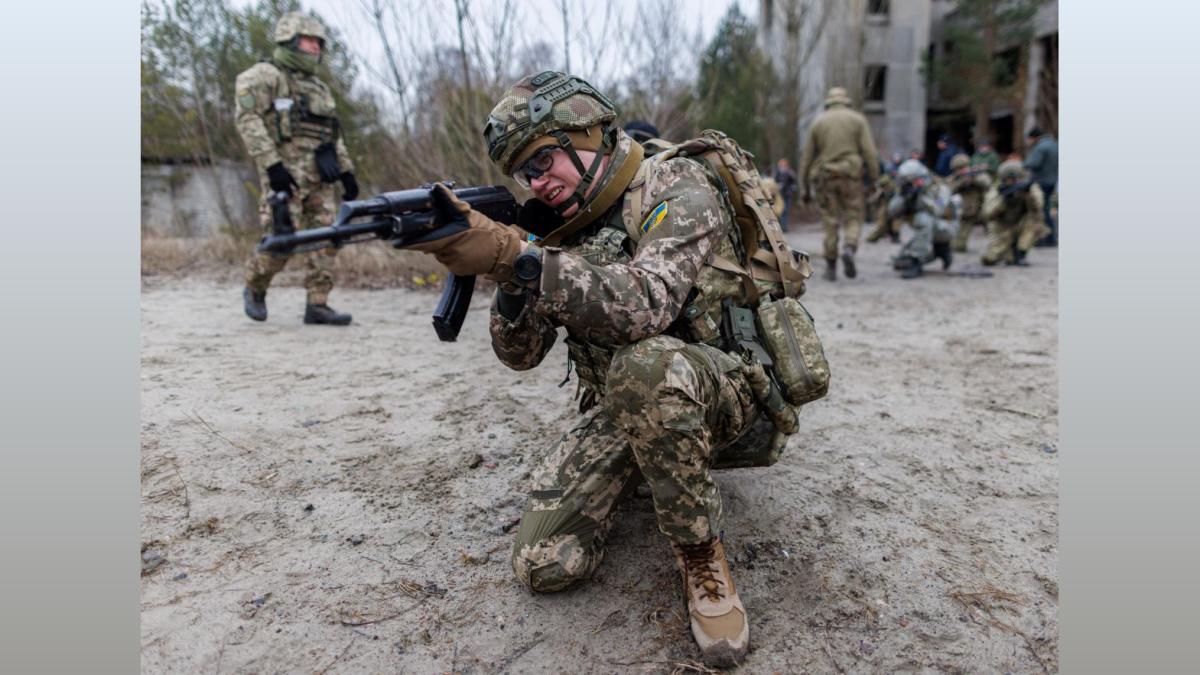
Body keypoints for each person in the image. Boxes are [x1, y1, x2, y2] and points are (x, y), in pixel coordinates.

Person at [407, 71, 813, 667]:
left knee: (645, 364)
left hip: (727, 395)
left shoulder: (676, 183)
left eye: (544, 160)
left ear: (591, 133)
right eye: (525, 173)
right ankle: (658, 462)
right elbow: (519, 355)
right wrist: (511, 275)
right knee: (545, 564)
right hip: (631, 407)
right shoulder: (558, 225)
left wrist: (519, 259)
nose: (537, 182)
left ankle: (701, 552)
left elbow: (647, 304)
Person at [235, 12, 359, 325]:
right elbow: (247, 121)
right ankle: (255, 285)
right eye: (309, 40)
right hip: (284, 176)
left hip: (319, 177)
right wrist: (273, 165)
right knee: (282, 239)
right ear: (289, 40)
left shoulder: (319, 88)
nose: (316, 47)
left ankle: (317, 304)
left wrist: (346, 171)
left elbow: (333, 134)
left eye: (319, 42)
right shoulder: (263, 76)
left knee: (329, 237)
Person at [800, 86, 880, 281]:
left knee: (830, 220)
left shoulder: (818, 123)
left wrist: (804, 188)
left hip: (826, 178)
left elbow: (807, 158)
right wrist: (874, 180)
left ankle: (830, 266)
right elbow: (870, 153)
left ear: (829, 102)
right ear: (846, 101)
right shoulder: (858, 120)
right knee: (854, 216)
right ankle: (849, 247)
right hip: (851, 177)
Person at [888, 159, 959, 278]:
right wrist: (904, 197)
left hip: (947, 227)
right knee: (900, 262)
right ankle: (940, 251)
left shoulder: (940, 188)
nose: (911, 184)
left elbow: (938, 209)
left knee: (923, 218)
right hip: (927, 229)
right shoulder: (907, 189)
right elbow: (892, 211)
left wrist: (921, 197)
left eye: (913, 181)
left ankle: (917, 261)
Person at [980, 160, 1049, 266]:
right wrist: (1004, 201)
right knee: (990, 259)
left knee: (1036, 219)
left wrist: (1028, 196)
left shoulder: (1028, 187)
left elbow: (1038, 207)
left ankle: (1021, 252)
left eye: (1015, 179)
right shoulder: (996, 190)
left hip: (1020, 224)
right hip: (1001, 227)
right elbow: (988, 214)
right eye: (1009, 179)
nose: (1013, 182)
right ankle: (1009, 251)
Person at [948, 154, 992, 252]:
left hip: (982, 209)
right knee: (958, 246)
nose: (959, 171)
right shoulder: (956, 178)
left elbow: (987, 184)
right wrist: (962, 182)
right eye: (957, 169)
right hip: (966, 210)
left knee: (993, 231)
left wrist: (974, 179)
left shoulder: (977, 174)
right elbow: (949, 189)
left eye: (962, 168)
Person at [1023, 126, 1059, 246]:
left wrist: (1024, 163)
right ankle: (1051, 238)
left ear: (1034, 137)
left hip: (1041, 181)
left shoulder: (1040, 147)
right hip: (1052, 181)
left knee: (1040, 211)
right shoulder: (1054, 144)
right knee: (1047, 209)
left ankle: (1044, 237)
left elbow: (1033, 163)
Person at [773, 158, 799, 232]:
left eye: (784, 165)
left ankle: (785, 227)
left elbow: (794, 183)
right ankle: (781, 227)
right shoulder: (777, 173)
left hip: (788, 194)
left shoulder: (790, 173)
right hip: (780, 195)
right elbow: (774, 182)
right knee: (781, 211)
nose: (783, 166)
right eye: (781, 165)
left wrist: (792, 190)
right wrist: (778, 186)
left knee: (786, 211)